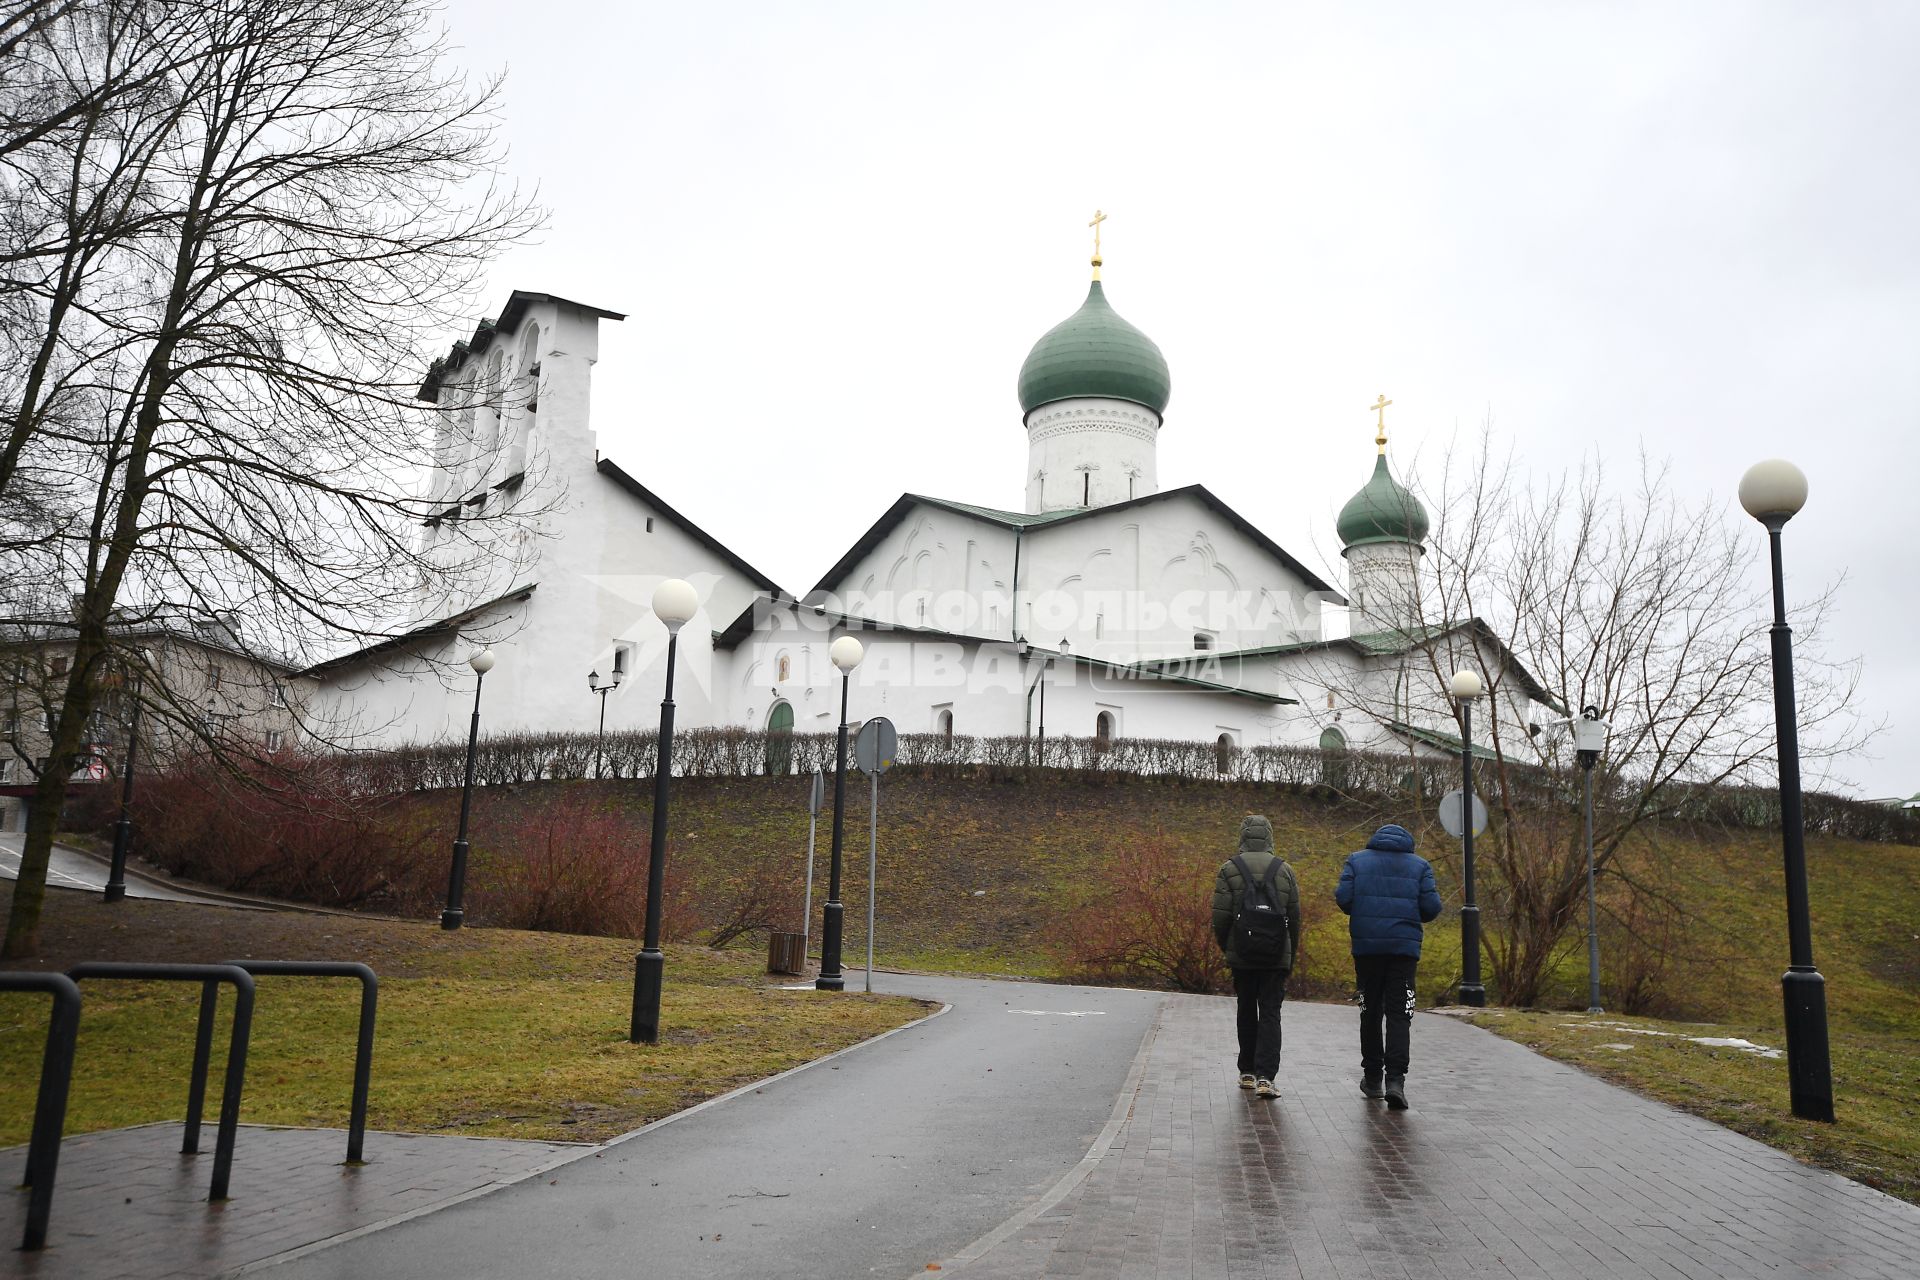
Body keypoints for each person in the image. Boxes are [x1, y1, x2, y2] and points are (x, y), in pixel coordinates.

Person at [1334, 823, 1442, 1110]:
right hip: (1403, 952)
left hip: (1367, 950)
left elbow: (1343, 899)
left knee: (1370, 1012)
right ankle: (1396, 1081)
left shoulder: (1357, 860)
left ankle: (1372, 1079)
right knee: (1399, 1015)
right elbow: (1431, 908)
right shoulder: (1420, 866)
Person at [1211, 814, 1302, 1099]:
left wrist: (1228, 947)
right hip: (1276, 955)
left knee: (1246, 1008)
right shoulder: (1284, 870)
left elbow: (1220, 916)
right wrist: (1290, 954)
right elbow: (1295, 918)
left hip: (1243, 952)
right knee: (1271, 1013)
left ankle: (1247, 1071)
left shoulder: (1230, 868)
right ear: (1270, 836)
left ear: (1243, 836)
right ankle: (1266, 1077)